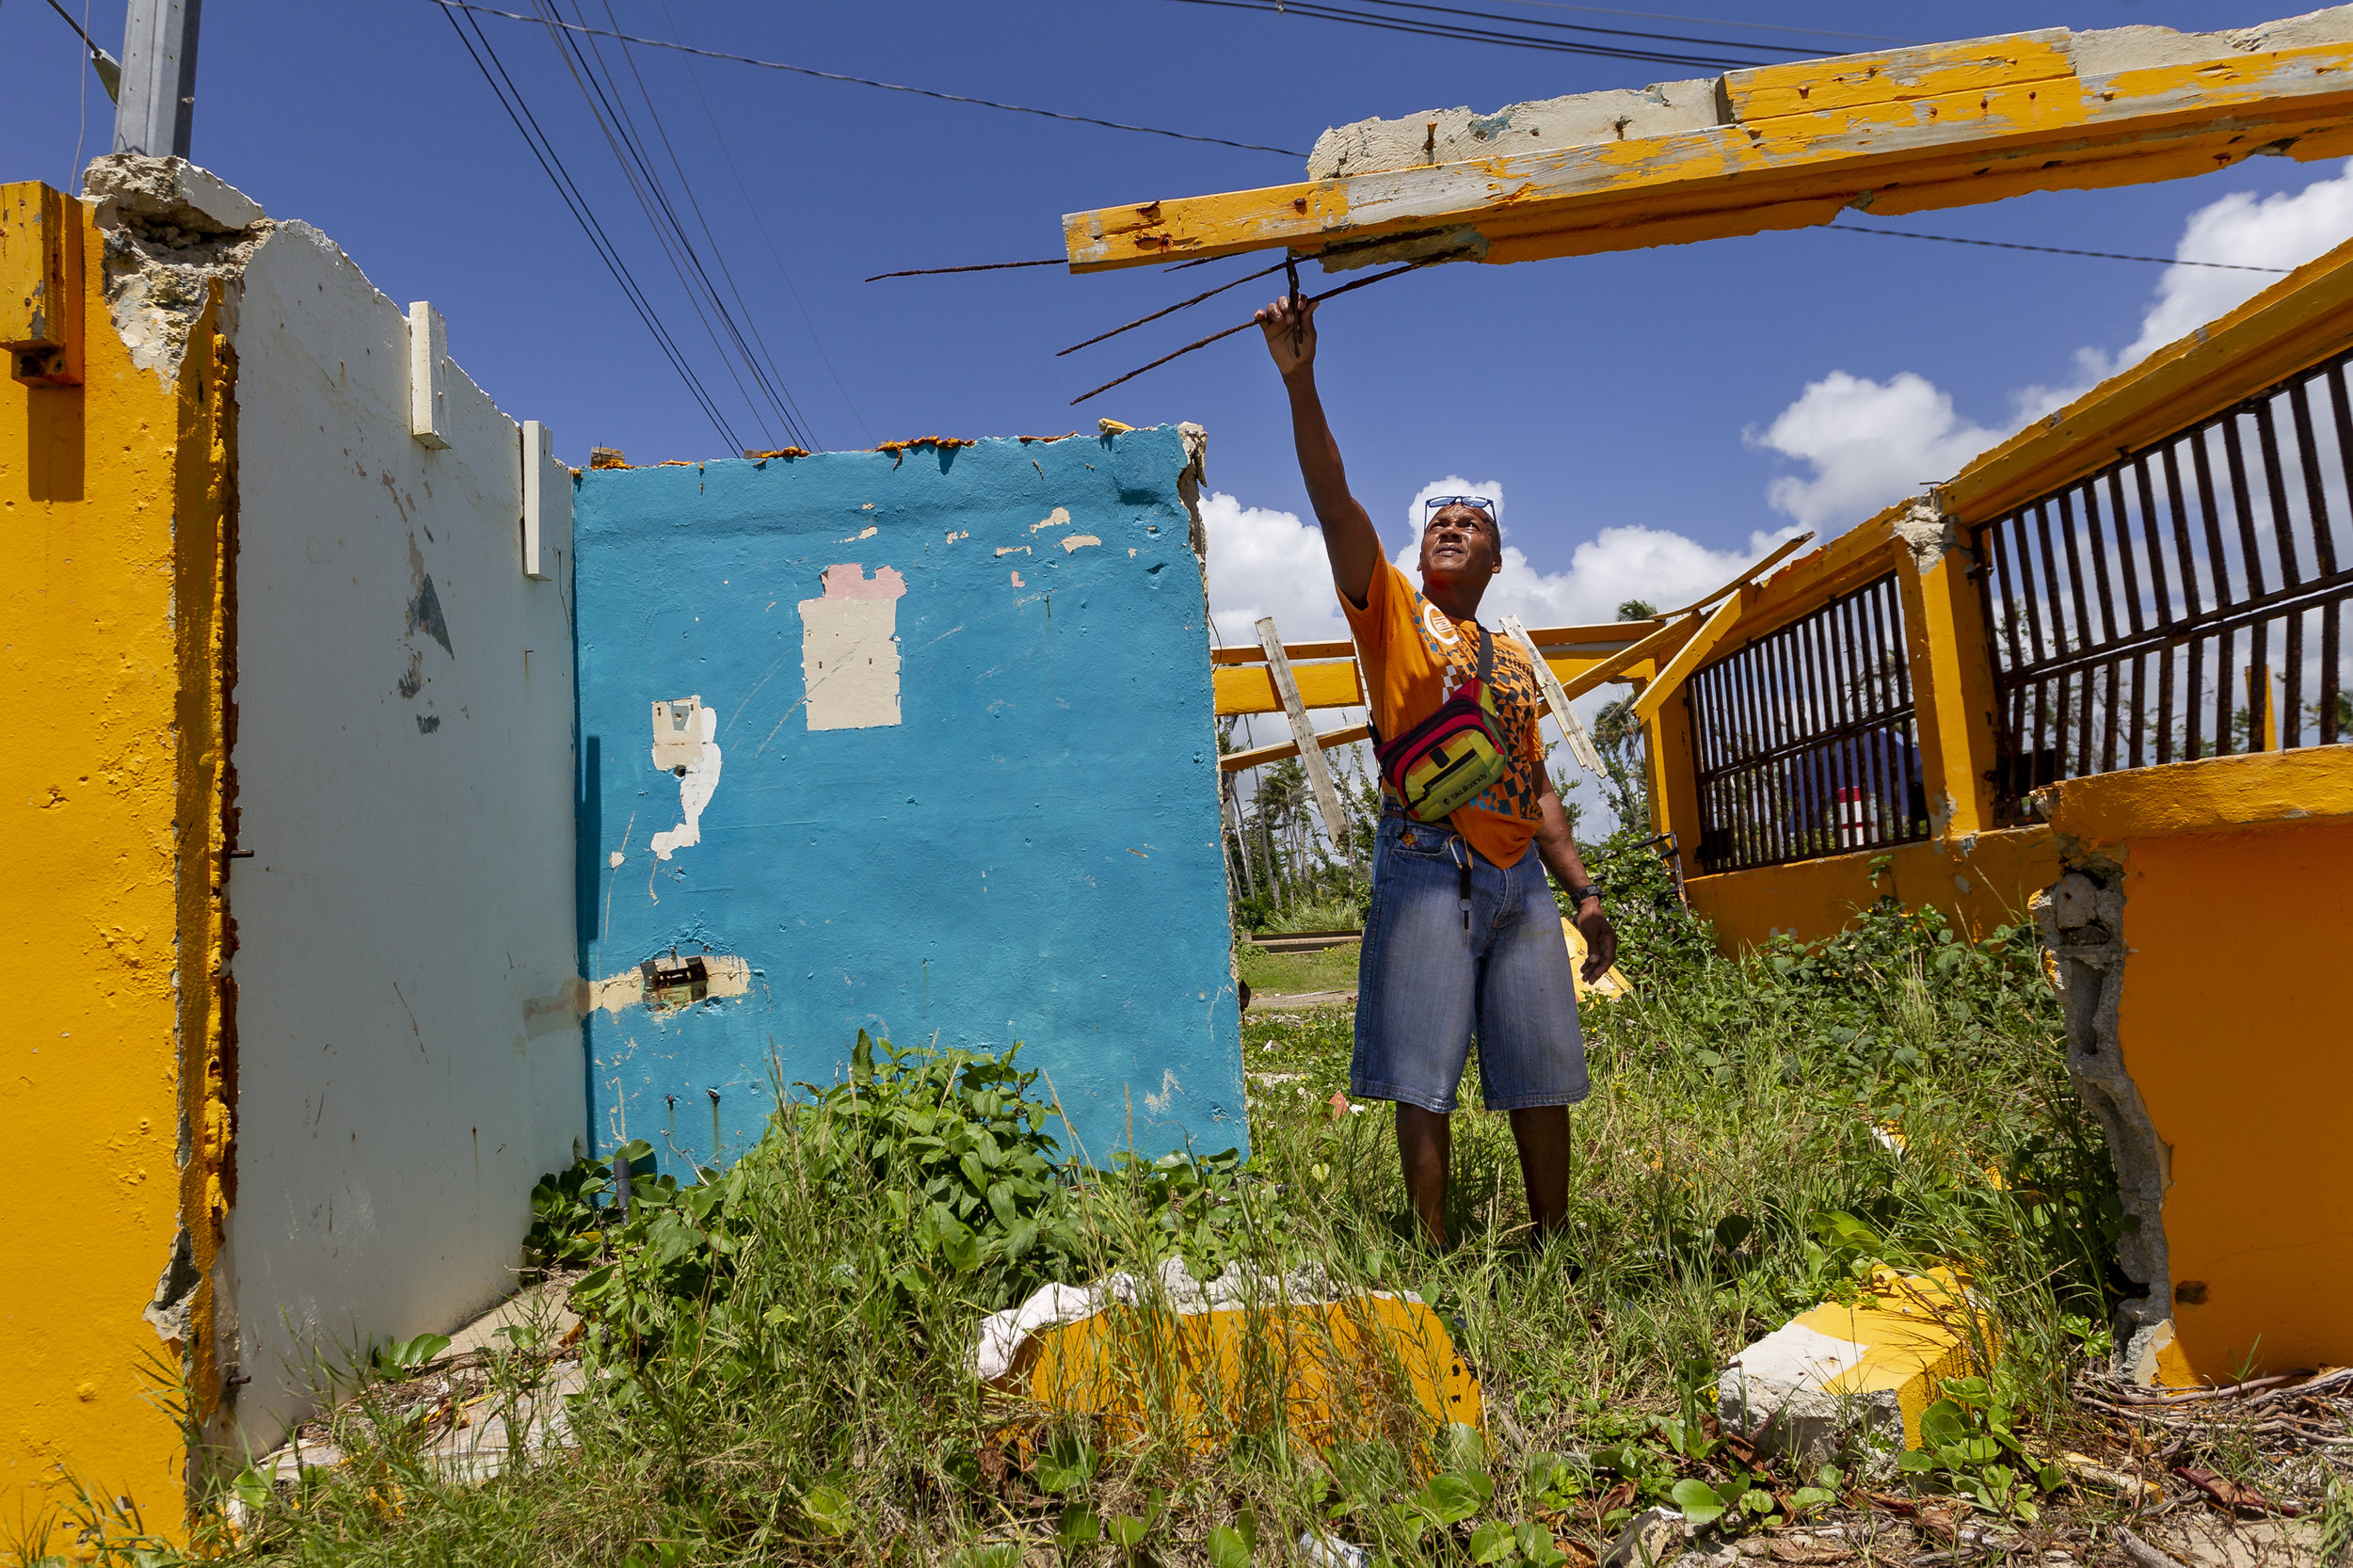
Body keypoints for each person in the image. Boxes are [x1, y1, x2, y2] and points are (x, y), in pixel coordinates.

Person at [1255, 291, 1618, 1250]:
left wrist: (1581, 891)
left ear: (1498, 555)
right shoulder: (1391, 614)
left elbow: (1537, 786)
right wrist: (1301, 381)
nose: (1452, 528)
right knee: (1422, 1075)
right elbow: (1334, 497)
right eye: (1438, 521)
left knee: (1542, 1069)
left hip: (1520, 887)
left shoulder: (1508, 659)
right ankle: (1435, 1252)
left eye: (1473, 523)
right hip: (1424, 865)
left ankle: (1551, 1240)